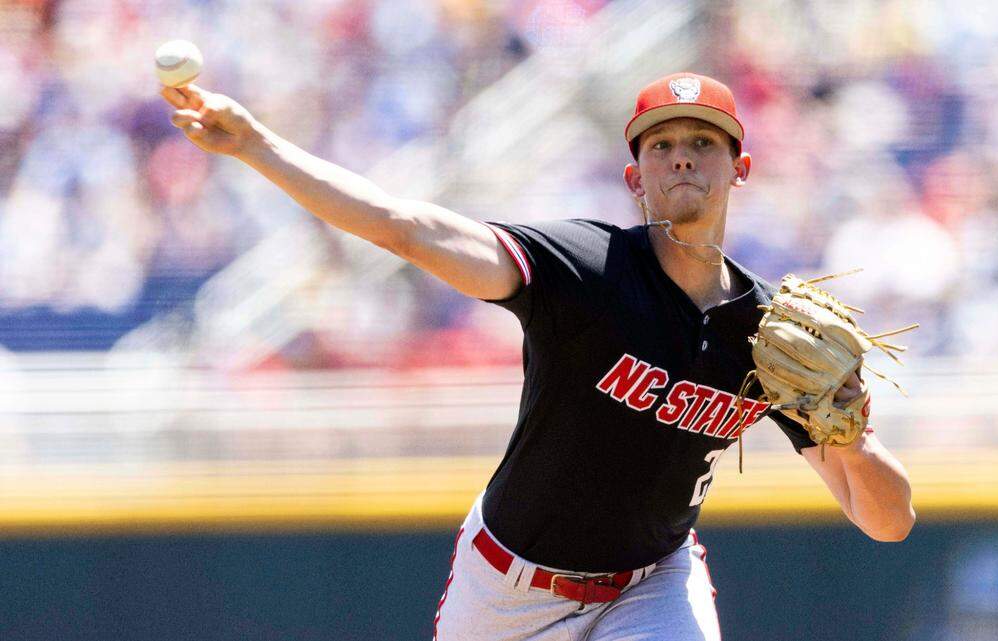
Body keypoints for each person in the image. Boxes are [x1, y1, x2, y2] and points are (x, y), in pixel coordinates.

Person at [160, 71, 915, 641]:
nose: (681, 158)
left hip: (650, 583)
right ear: (636, 175)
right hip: (507, 586)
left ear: (738, 167)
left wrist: (857, 433)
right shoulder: (583, 269)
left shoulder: (765, 334)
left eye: (702, 143)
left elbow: (887, 521)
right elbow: (404, 228)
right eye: (661, 145)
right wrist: (257, 146)